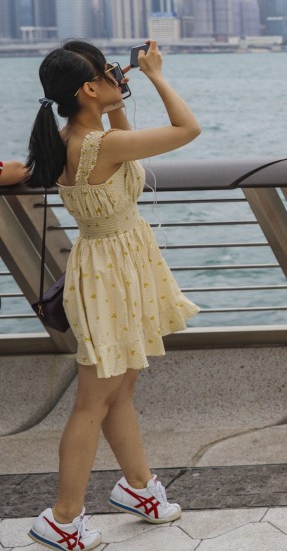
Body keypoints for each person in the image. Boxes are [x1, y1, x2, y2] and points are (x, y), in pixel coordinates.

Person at [24, 40, 200, 550]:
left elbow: (134, 143)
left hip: (117, 268)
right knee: (91, 403)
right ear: (87, 88)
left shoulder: (76, 137)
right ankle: (61, 518)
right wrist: (157, 76)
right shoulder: (94, 146)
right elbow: (188, 130)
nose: (115, 76)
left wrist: (118, 97)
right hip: (109, 276)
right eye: (106, 73)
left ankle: (140, 488)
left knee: (119, 392)